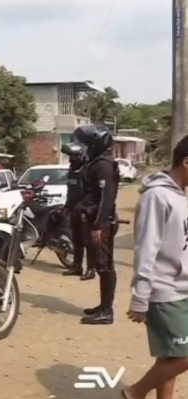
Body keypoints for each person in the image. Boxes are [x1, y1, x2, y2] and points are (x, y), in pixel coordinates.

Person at [121, 137, 188, 399]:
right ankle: (135, 392)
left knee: (171, 353)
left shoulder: (182, 196)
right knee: (184, 355)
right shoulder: (157, 196)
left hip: (183, 287)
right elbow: (146, 248)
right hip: (164, 289)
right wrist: (141, 296)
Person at [75, 125, 119, 325]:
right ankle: (103, 305)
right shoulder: (95, 162)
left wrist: (99, 225)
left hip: (101, 222)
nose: (84, 147)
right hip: (93, 219)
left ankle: (107, 311)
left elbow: (106, 198)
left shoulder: (103, 165)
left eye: (86, 143)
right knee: (101, 265)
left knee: (105, 265)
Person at [61, 145, 95, 281]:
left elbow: (91, 193)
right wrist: (67, 206)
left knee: (87, 241)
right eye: (70, 157)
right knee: (76, 240)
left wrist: (82, 205)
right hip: (74, 209)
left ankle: (91, 269)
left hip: (85, 211)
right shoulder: (72, 171)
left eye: (74, 156)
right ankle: (77, 266)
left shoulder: (87, 172)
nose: (71, 159)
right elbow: (71, 191)